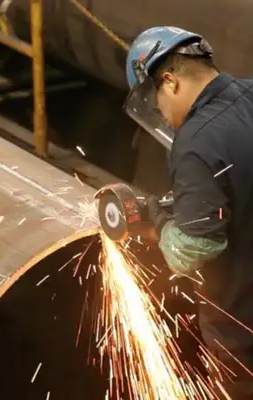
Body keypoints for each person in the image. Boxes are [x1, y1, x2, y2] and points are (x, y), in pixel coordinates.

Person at [124, 26, 253, 399]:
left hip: (243, 330)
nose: (162, 116)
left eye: (156, 102)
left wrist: (159, 219)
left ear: (170, 81)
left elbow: (191, 249)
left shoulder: (196, 143)